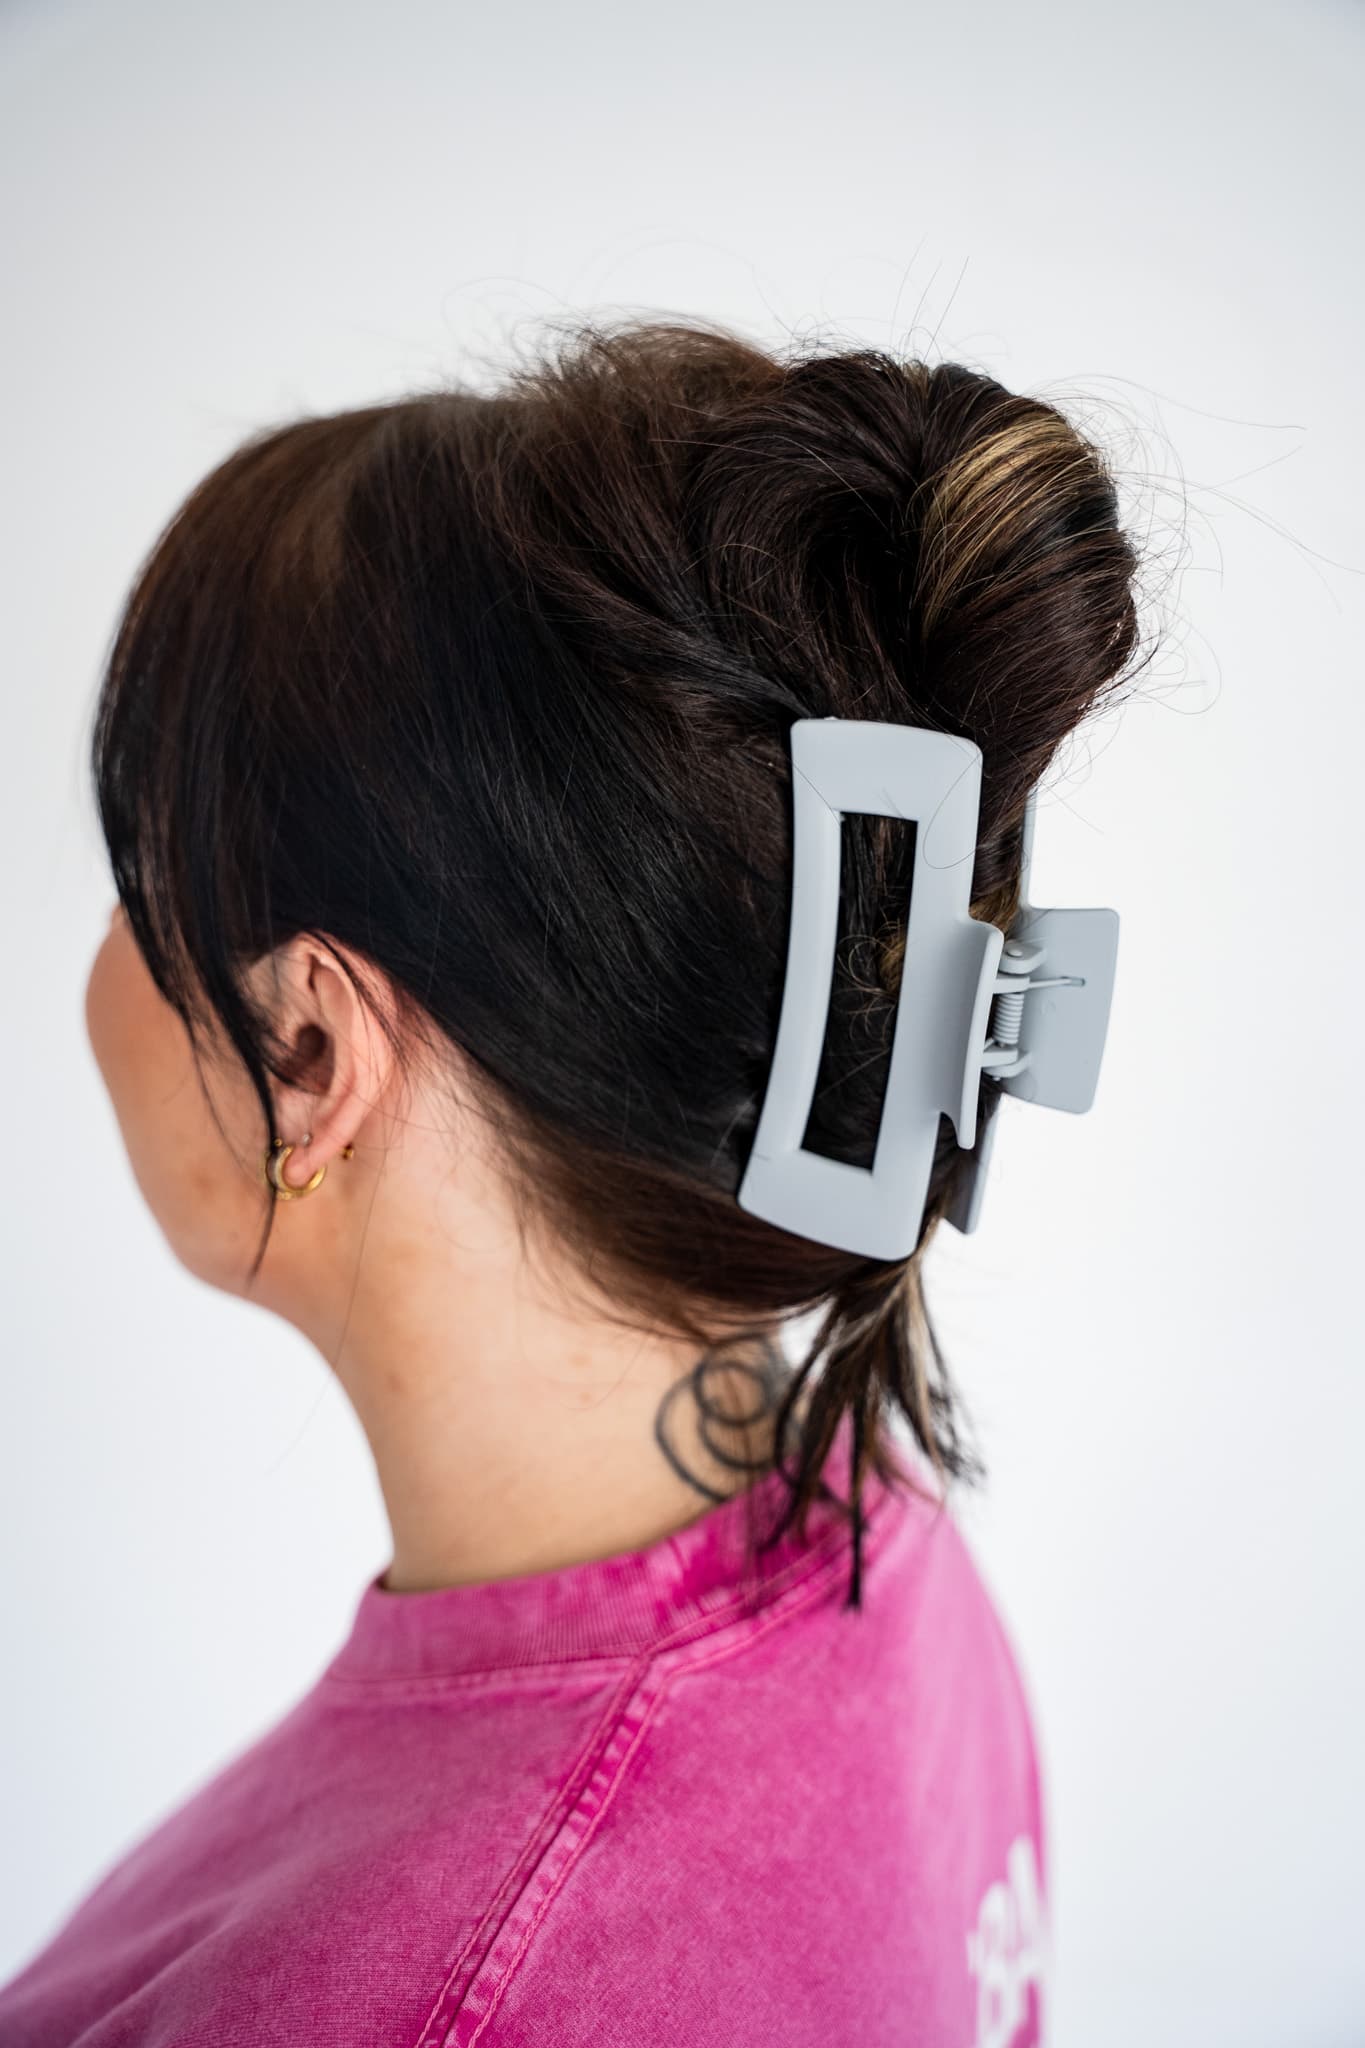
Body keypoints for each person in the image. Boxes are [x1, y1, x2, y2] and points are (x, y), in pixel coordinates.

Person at [0, 316, 1142, 2046]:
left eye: (141, 877)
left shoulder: (406, 2001)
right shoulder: (871, 1531)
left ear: (306, 1050)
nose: (106, 946)